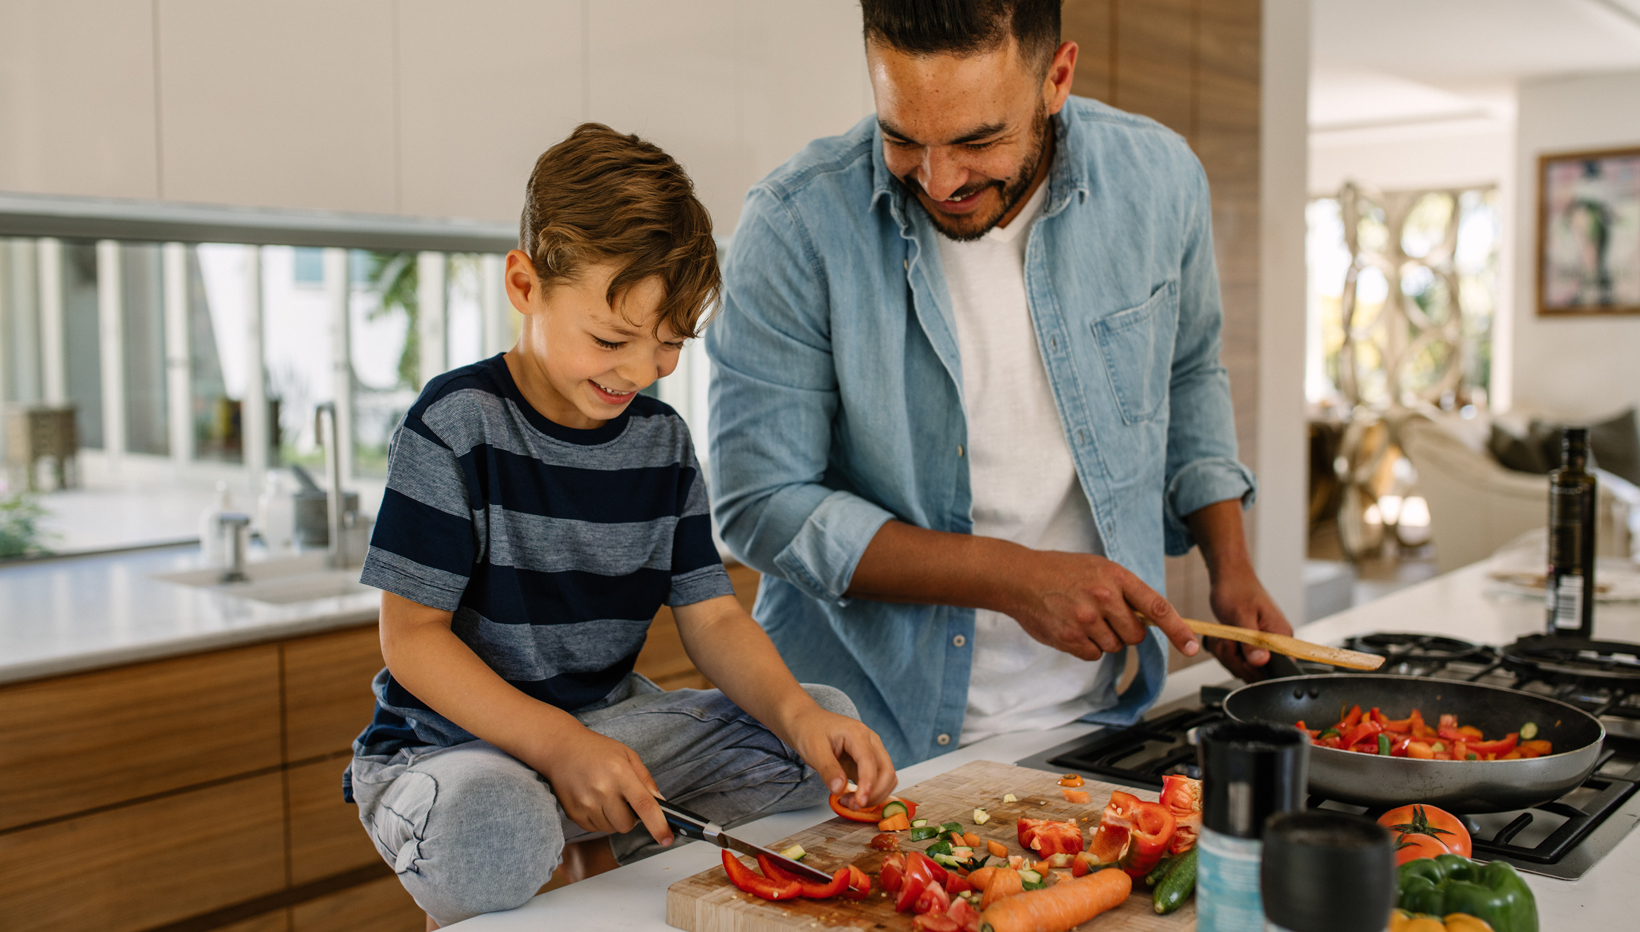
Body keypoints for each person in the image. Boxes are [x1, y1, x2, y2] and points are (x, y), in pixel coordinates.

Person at [706, 0, 1292, 767]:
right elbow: (758, 506)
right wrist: (1013, 578)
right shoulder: (795, 226)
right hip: (854, 742)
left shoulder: (1159, 180)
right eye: (901, 137)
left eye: (977, 140)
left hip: (1096, 724)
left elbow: (1188, 372)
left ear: (1057, 77)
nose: (939, 179)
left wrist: (1230, 564)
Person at [345, 123, 895, 927]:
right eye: (610, 339)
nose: (640, 373)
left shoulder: (661, 441)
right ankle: (561, 838)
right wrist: (559, 749)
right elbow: (413, 639)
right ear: (525, 285)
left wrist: (799, 715)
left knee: (813, 729)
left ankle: (582, 839)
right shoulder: (455, 424)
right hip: (451, 750)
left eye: (669, 344)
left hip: (606, 728)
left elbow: (710, 616)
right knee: (491, 823)